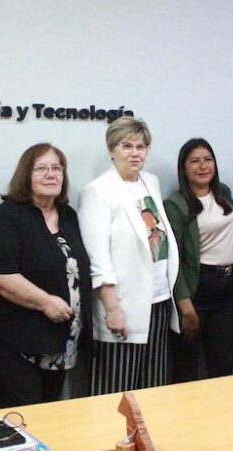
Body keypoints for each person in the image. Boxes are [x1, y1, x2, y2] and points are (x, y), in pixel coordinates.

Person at [0, 143, 92, 407]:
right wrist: (45, 302)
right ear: (25, 175)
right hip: (19, 346)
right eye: (41, 168)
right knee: (24, 420)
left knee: (50, 418)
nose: (51, 174)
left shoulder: (68, 216)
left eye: (57, 168)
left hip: (61, 343)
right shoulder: (6, 217)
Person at [78, 117, 180, 395]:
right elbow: (98, 260)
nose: (135, 153)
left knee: (154, 388)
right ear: (111, 150)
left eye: (141, 146)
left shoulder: (151, 182)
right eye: (126, 146)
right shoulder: (97, 191)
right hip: (122, 307)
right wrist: (113, 310)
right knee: (116, 391)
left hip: (158, 301)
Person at [164, 138, 233, 382]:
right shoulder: (176, 205)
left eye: (208, 159)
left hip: (227, 290)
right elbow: (173, 259)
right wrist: (185, 306)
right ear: (183, 168)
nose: (203, 166)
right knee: (187, 369)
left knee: (223, 366)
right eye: (195, 161)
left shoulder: (224, 193)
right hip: (196, 289)